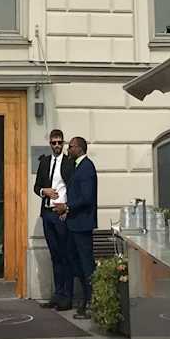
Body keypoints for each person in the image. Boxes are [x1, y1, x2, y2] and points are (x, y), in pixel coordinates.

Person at [34, 128, 76, 309]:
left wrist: (68, 208)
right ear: (50, 144)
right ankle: (58, 295)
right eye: (54, 142)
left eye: (60, 142)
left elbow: (74, 188)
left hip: (61, 214)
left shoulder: (69, 162)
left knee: (65, 255)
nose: (57, 145)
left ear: (63, 143)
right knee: (55, 255)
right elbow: (36, 187)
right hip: (47, 213)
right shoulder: (44, 162)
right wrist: (44, 191)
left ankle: (67, 296)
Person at [60, 135, 98, 319]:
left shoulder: (87, 167)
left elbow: (87, 197)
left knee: (86, 265)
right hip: (74, 224)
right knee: (77, 264)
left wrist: (67, 207)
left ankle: (92, 303)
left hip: (82, 225)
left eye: (71, 146)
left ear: (80, 148)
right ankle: (86, 300)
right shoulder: (76, 166)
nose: (68, 149)